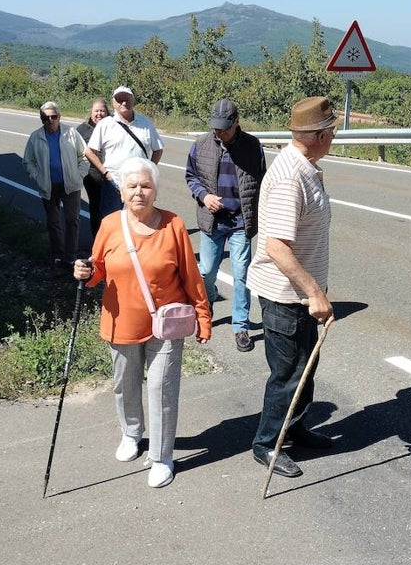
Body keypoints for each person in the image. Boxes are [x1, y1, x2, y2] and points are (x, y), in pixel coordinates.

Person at [73, 157, 212, 489]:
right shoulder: (109, 225)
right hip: (121, 322)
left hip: (166, 325)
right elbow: (98, 270)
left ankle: (163, 457)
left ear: (156, 191)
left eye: (146, 186)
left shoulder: (173, 225)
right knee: (126, 383)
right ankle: (131, 433)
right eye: (132, 186)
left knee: (161, 388)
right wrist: (87, 273)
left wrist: (203, 316)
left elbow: (192, 277)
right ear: (121, 191)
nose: (139, 192)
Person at [248, 96, 337, 479]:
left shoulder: (306, 166)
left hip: (299, 295)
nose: (334, 136)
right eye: (331, 130)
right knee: (288, 374)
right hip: (286, 296)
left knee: (305, 367)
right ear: (317, 135)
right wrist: (313, 292)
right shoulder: (290, 176)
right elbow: (276, 247)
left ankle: (295, 427)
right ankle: (267, 444)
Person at [184, 99, 267, 353]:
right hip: (212, 222)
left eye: (224, 128)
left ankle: (240, 326)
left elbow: (263, 180)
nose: (218, 132)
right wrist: (204, 196)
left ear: (236, 121)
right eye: (215, 127)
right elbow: (190, 176)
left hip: (242, 221)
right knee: (207, 270)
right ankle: (207, 301)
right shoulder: (201, 144)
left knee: (242, 274)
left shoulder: (252, 146)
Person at [22, 101, 89, 266]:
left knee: (72, 219)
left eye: (54, 116)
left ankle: (71, 254)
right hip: (48, 186)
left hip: (71, 185)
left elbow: (85, 156)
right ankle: (57, 253)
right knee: (53, 221)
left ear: (59, 117)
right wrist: (37, 177)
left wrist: (78, 175)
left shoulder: (71, 133)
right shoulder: (35, 137)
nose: (50, 120)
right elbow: (28, 161)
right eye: (46, 117)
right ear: (41, 118)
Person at [84, 85, 164, 219]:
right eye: (119, 99)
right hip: (113, 183)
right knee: (111, 221)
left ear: (134, 101)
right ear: (114, 103)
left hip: (139, 184)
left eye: (127, 99)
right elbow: (90, 151)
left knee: (140, 219)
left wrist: (149, 169)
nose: (124, 102)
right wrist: (105, 173)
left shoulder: (146, 123)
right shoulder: (105, 124)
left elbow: (158, 149)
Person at [75, 98, 110, 239]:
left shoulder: (114, 126)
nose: (99, 114)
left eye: (102, 111)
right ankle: (97, 239)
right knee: (96, 208)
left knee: (112, 210)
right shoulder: (82, 130)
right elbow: (75, 152)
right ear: (91, 112)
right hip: (92, 176)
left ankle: (112, 240)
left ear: (107, 112)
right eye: (96, 111)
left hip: (112, 174)